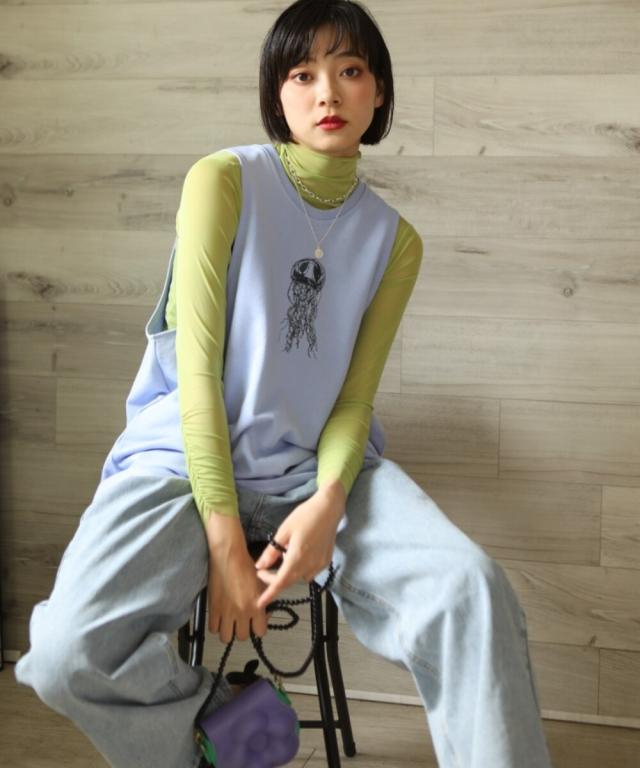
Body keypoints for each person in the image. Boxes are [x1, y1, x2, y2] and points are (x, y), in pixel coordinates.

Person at [14, 1, 554, 766]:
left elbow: (353, 401)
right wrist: (225, 544)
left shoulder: (395, 241)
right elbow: (197, 373)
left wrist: (329, 503)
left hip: (316, 470)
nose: (327, 92)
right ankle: (227, 724)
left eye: (350, 70)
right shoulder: (224, 180)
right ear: (277, 94)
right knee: (67, 652)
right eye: (302, 75)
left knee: (473, 589)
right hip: (182, 462)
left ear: (378, 92)